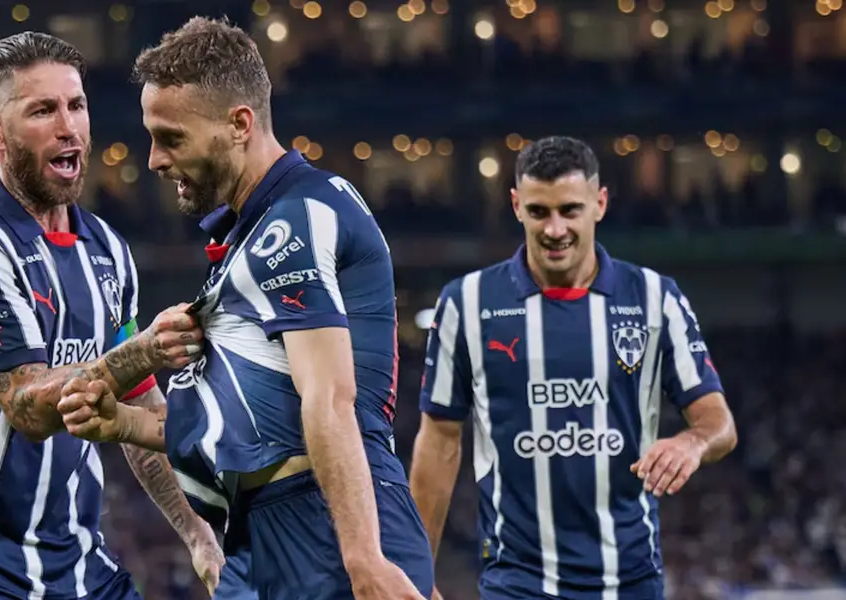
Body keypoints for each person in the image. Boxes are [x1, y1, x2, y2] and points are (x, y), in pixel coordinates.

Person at [56, 16, 433, 600]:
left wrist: (364, 557)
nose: (154, 160)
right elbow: (256, 422)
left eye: (171, 137)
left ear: (239, 124)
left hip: (323, 525)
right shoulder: (251, 238)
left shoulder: (294, 222)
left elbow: (329, 397)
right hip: (262, 532)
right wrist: (125, 424)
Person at [0, 31, 223, 599]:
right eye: (43, 111)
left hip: (79, 566)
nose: (68, 127)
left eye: (76, 105)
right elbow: (27, 406)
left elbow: (139, 405)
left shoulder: (108, 251)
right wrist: (144, 349)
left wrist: (199, 535)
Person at [407, 136, 738, 600]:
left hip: (630, 581)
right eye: (539, 212)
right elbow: (440, 440)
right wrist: (415, 574)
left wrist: (692, 442)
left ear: (599, 204)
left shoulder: (654, 298)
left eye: (570, 210)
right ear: (516, 206)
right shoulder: (467, 303)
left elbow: (720, 424)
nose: (555, 228)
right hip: (517, 584)